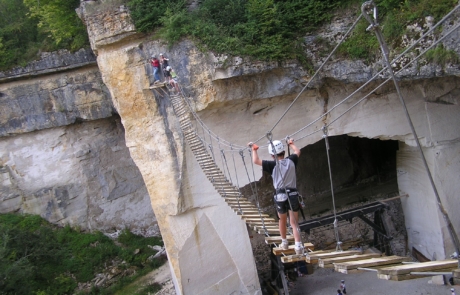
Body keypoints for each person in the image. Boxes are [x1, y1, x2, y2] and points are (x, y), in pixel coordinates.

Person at [249, 138, 304, 255]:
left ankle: (284, 243)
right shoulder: (292, 160)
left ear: (272, 155)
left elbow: (255, 160)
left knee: (282, 221)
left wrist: (254, 149)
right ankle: (298, 246)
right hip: (293, 194)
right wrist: (292, 144)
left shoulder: (272, 164)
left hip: (280, 196)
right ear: (283, 151)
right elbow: (298, 151)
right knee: (294, 223)